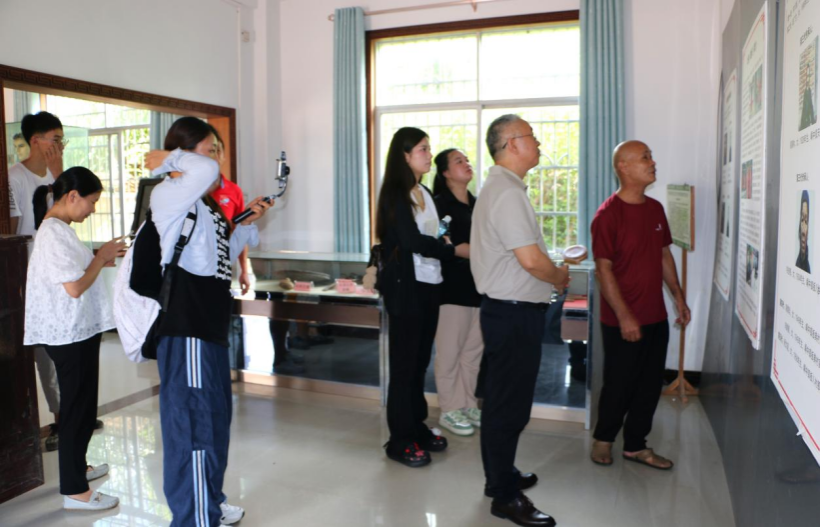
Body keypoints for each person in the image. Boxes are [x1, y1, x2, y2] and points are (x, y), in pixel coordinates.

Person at [145, 117, 271, 527]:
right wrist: (169, 159)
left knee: (215, 421)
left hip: (209, 326)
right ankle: (195, 518)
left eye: (218, 149)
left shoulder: (205, 204)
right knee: (195, 425)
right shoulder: (169, 194)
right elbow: (204, 170)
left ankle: (209, 503)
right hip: (188, 328)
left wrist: (244, 225)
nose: (216, 158)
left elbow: (218, 258)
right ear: (184, 152)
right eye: (209, 148)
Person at [471, 115, 568, 528]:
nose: (538, 143)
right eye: (531, 136)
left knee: (503, 402)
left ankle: (501, 474)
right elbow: (530, 260)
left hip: (508, 311)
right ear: (511, 144)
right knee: (507, 407)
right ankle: (504, 496)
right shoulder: (507, 193)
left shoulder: (503, 188)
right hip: (512, 314)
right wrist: (559, 276)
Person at [24, 167, 126, 511]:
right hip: (67, 333)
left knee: (83, 407)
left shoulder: (61, 229)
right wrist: (101, 257)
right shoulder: (52, 232)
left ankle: (78, 469)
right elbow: (75, 287)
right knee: (75, 410)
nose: (93, 209)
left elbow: (76, 273)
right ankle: (75, 491)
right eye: (92, 202)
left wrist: (100, 259)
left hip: (78, 330)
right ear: (72, 196)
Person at [589, 140, 691, 472]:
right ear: (623, 167)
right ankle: (603, 439)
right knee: (619, 384)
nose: (652, 162)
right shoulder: (607, 216)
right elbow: (603, 270)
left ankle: (636, 445)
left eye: (651, 156)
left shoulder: (655, 209)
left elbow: (663, 255)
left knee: (649, 386)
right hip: (621, 320)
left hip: (654, 316)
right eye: (645, 157)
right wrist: (624, 316)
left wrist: (678, 296)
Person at [376, 127, 457, 468]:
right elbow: (410, 241)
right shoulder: (396, 193)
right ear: (405, 155)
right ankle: (399, 439)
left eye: (428, 148)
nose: (429, 154)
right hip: (406, 287)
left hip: (430, 283)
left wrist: (441, 244)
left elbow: (434, 234)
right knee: (404, 365)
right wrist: (445, 249)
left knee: (420, 362)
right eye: (422, 149)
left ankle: (416, 426)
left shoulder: (423, 190)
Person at [9, 112, 66, 452]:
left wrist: (59, 176)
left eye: (61, 140)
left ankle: (65, 417)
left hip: (55, 275)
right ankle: (48, 423)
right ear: (35, 141)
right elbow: (12, 234)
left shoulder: (56, 177)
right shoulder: (14, 178)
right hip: (27, 281)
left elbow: (69, 219)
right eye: (55, 139)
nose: (60, 146)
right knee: (37, 355)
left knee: (60, 352)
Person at [432, 148, 483, 437]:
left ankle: (467, 403)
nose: (466, 164)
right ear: (445, 173)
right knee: (450, 352)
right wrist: (487, 254)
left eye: (467, 160)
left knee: (473, 353)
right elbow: (447, 244)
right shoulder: (439, 205)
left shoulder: (477, 204)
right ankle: (449, 409)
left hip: (480, 286)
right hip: (451, 289)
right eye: (458, 161)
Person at [797, 190, 811, 274]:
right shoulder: (796, 263)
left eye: (806, 221)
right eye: (802, 219)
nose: (803, 232)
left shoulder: (808, 269)